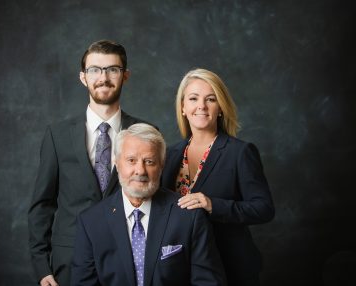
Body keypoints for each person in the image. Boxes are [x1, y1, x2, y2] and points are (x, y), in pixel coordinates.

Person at [28, 40, 151, 286]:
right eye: (95, 69)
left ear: (125, 76)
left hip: (130, 260)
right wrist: (42, 267)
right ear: (83, 77)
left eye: (112, 69)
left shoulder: (145, 132)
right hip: (69, 262)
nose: (103, 77)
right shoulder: (57, 135)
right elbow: (42, 205)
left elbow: (154, 202)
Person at [71, 123, 226, 286]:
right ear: (116, 163)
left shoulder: (188, 217)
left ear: (161, 165)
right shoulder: (91, 223)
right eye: (131, 160)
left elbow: (209, 282)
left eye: (149, 161)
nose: (140, 170)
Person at [161, 68, 275, 286]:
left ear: (220, 107)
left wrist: (213, 205)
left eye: (210, 99)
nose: (201, 106)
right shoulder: (168, 155)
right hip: (180, 269)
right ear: (183, 107)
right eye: (193, 98)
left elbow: (264, 208)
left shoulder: (240, 152)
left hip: (231, 268)